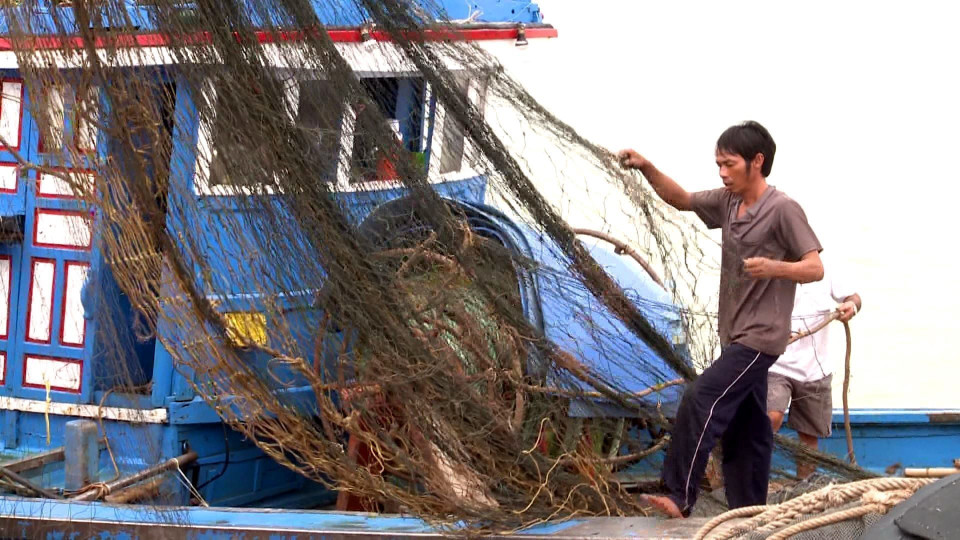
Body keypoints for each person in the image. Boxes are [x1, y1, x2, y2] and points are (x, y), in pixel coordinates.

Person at [618, 121, 823, 518]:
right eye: (718, 165)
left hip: (760, 337)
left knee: (701, 397)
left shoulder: (783, 209)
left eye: (729, 164)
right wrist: (646, 166)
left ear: (757, 162)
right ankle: (750, 510)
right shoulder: (729, 202)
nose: (722, 173)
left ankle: (679, 496)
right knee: (748, 429)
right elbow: (681, 199)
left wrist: (774, 268)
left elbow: (814, 267)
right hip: (734, 333)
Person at [768, 260, 861, 478]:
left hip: (815, 370)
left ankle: (802, 489)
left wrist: (851, 306)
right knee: (771, 417)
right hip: (774, 364)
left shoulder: (827, 269)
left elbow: (854, 297)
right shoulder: (770, 266)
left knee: (809, 436)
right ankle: (755, 481)